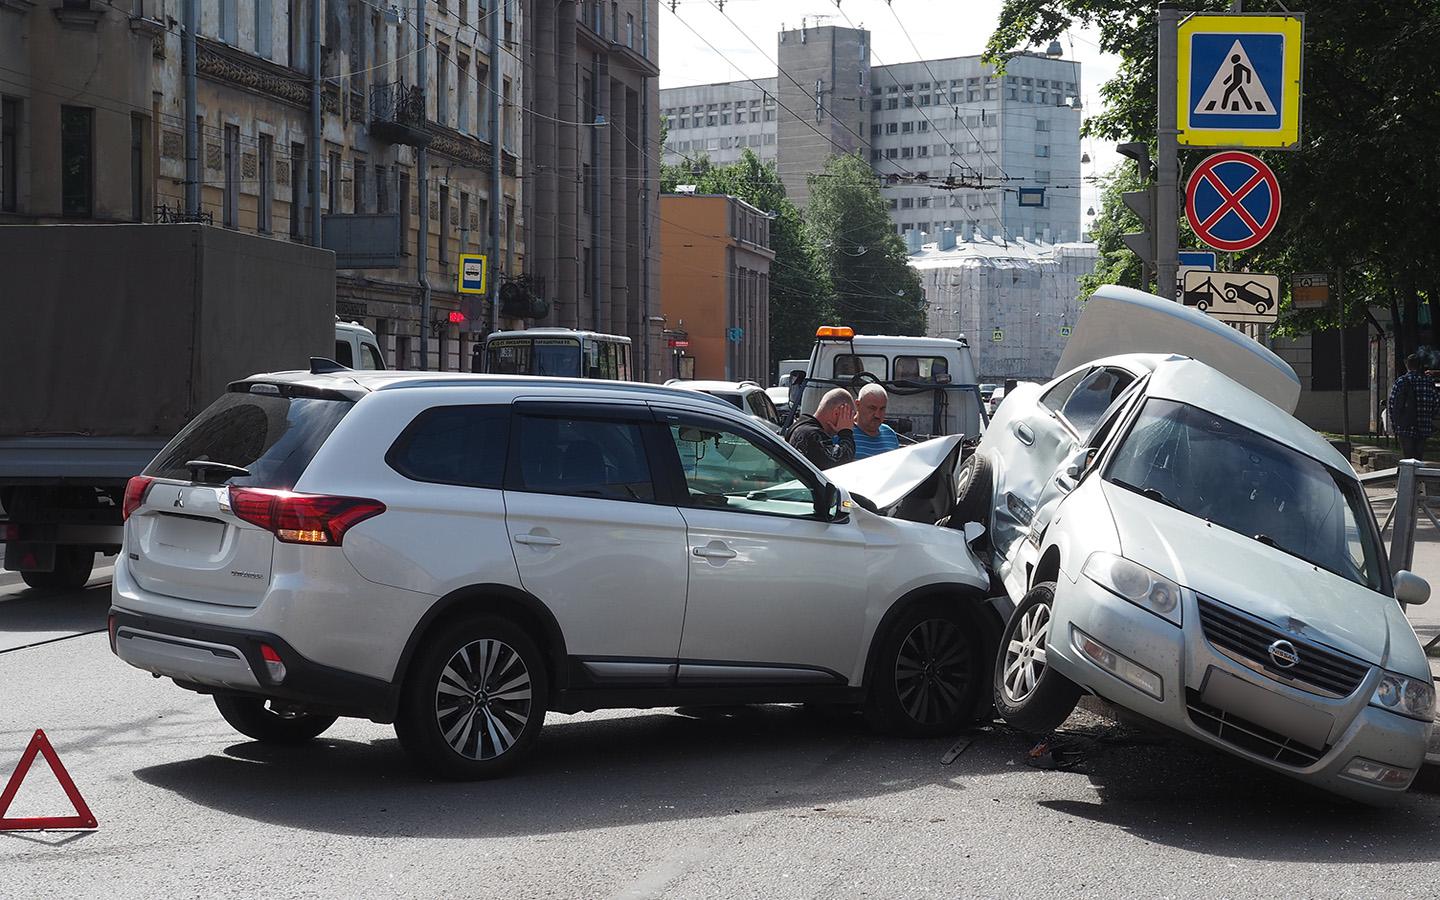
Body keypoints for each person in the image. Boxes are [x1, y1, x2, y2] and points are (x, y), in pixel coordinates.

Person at [787, 388, 856, 470]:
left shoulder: (802, 429)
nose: (851, 423)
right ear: (837, 413)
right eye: (849, 417)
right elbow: (838, 464)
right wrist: (846, 433)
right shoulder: (812, 435)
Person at [1388, 353, 1438, 461]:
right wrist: (1429, 417)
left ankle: (1409, 477)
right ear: (1420, 365)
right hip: (1424, 426)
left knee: (1408, 458)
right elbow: (1436, 403)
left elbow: (1392, 404)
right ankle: (1418, 477)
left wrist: (1395, 423)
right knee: (1418, 458)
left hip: (1405, 426)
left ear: (1407, 365)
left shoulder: (1401, 381)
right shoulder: (1429, 382)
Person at [849, 383, 901, 459]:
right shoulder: (845, 435)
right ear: (858, 405)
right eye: (872, 408)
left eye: (882, 409)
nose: (877, 415)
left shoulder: (890, 434)